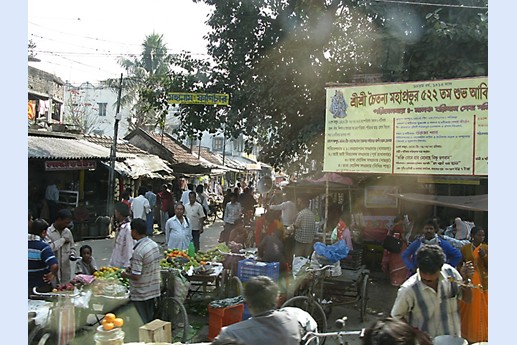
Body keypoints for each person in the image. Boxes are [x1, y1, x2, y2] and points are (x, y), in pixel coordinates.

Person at [391, 244, 474, 343]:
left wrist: (466, 280)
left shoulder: (451, 274)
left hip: (452, 339)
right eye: (424, 273)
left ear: (440, 268)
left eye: (432, 274)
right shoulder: (408, 290)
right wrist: (416, 332)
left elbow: (467, 299)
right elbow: (396, 317)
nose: (427, 277)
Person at [214, 276, 318, 345]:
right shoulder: (295, 319)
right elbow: (314, 336)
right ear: (277, 299)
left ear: (248, 303)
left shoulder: (231, 333)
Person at [120, 218, 161, 324]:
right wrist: (133, 267)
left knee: (142, 322)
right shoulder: (153, 244)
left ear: (134, 232)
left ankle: (145, 339)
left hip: (142, 292)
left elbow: (136, 276)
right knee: (150, 319)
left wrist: (125, 274)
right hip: (153, 288)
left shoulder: (138, 251)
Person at [458, 226, 488, 343]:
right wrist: (463, 271)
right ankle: (467, 335)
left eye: (483, 235)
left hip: (483, 283)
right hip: (468, 282)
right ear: (472, 236)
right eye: (479, 235)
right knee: (468, 308)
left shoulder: (486, 248)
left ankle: (481, 336)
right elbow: (460, 263)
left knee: (482, 309)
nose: (481, 237)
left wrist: (484, 256)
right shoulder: (465, 249)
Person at [45, 208, 76, 285]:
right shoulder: (48, 232)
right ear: (59, 220)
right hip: (53, 272)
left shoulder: (67, 232)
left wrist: (72, 254)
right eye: (65, 222)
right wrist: (62, 240)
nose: (67, 225)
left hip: (66, 272)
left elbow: (72, 247)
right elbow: (49, 249)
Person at [29, 217, 59, 296]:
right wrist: (52, 274)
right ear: (43, 232)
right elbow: (54, 265)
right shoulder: (43, 247)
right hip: (40, 287)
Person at [381, 215, 409, 286]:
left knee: (393, 263)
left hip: (392, 248)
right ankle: (399, 281)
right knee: (401, 263)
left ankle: (393, 280)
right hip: (399, 248)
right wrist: (407, 242)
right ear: (401, 220)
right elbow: (403, 237)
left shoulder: (392, 226)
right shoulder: (400, 226)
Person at [109, 202, 135, 268]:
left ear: (118, 213)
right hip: (116, 264)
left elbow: (129, 248)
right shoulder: (120, 226)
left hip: (123, 266)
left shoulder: (128, 229)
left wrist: (127, 266)